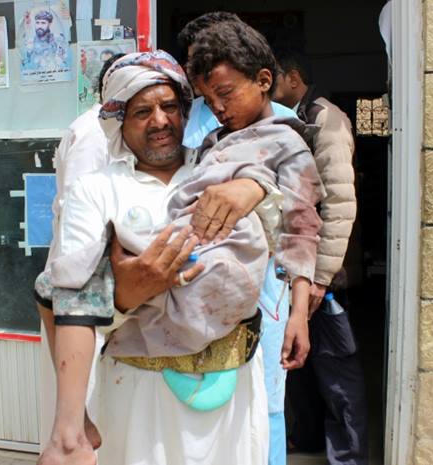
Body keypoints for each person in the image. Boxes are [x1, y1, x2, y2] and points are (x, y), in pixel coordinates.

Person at [39, 50, 275, 465]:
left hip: (235, 384)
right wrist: (125, 295)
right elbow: (64, 300)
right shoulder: (95, 190)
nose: (160, 121)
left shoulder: (222, 168)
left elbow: (289, 214)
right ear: (118, 122)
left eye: (169, 106)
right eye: (142, 112)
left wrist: (253, 188)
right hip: (141, 393)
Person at [178, 13, 311, 465]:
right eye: (209, 99)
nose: (218, 105)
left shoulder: (287, 139)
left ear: (264, 80)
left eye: (226, 94)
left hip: (268, 296)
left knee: (266, 401)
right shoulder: (214, 140)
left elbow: (302, 228)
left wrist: (299, 313)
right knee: (220, 398)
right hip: (211, 287)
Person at [273, 49, 367, 465]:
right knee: (303, 369)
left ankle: (349, 456)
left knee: (337, 372)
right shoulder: (296, 117)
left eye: (270, 80)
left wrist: (322, 277)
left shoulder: (325, 118)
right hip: (302, 271)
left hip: (326, 275)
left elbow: (340, 203)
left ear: (292, 78)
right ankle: (308, 439)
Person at [33, 53, 124, 453]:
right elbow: (79, 213)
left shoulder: (104, 128)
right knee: (81, 409)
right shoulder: (93, 133)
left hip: (93, 286)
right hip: (81, 287)